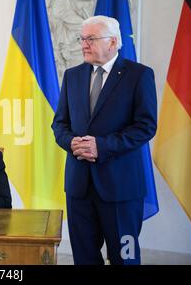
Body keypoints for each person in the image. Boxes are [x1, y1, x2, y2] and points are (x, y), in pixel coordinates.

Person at [52, 15, 157, 265]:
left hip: (121, 187)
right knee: (84, 258)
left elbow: (145, 126)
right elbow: (60, 124)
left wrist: (102, 146)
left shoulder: (138, 75)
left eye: (91, 39)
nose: (84, 44)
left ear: (112, 42)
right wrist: (71, 142)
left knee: (125, 258)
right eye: (82, 38)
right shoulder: (72, 76)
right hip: (79, 186)